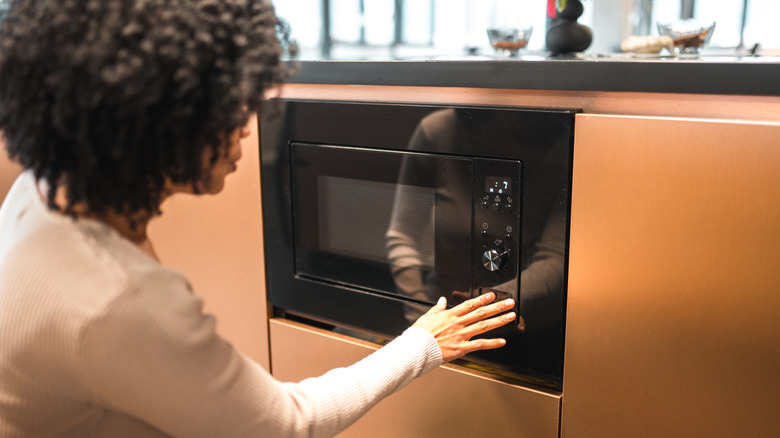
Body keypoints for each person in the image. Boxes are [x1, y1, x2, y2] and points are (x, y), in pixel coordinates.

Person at [0, 0, 516, 436]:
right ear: (156, 117)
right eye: (227, 106)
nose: (247, 125)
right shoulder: (115, 300)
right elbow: (288, 424)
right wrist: (425, 343)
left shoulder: (39, 193)